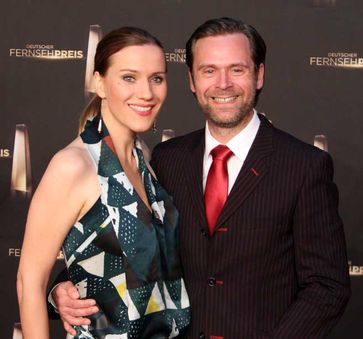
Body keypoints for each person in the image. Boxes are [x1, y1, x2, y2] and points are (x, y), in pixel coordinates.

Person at [50, 18, 351, 338]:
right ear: (192, 80)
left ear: (259, 75)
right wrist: (61, 290)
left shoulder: (304, 166)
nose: (223, 84)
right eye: (209, 70)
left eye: (237, 69)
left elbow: (326, 287)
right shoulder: (167, 159)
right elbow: (123, 244)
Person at [16, 26, 190, 339]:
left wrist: (63, 289)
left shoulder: (144, 157)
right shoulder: (73, 165)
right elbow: (29, 282)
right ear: (100, 83)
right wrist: (57, 293)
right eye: (129, 77)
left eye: (157, 78)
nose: (147, 92)